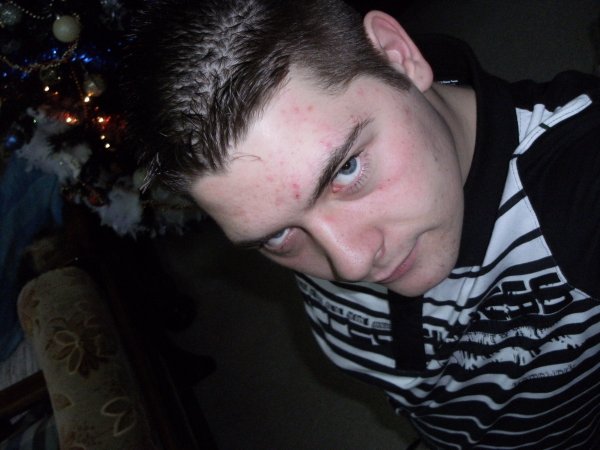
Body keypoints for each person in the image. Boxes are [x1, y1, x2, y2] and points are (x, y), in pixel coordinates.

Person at [122, 0, 600, 448]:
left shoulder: (577, 186)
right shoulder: (303, 214)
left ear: (396, 55)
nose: (349, 265)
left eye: (346, 170)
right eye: (277, 235)